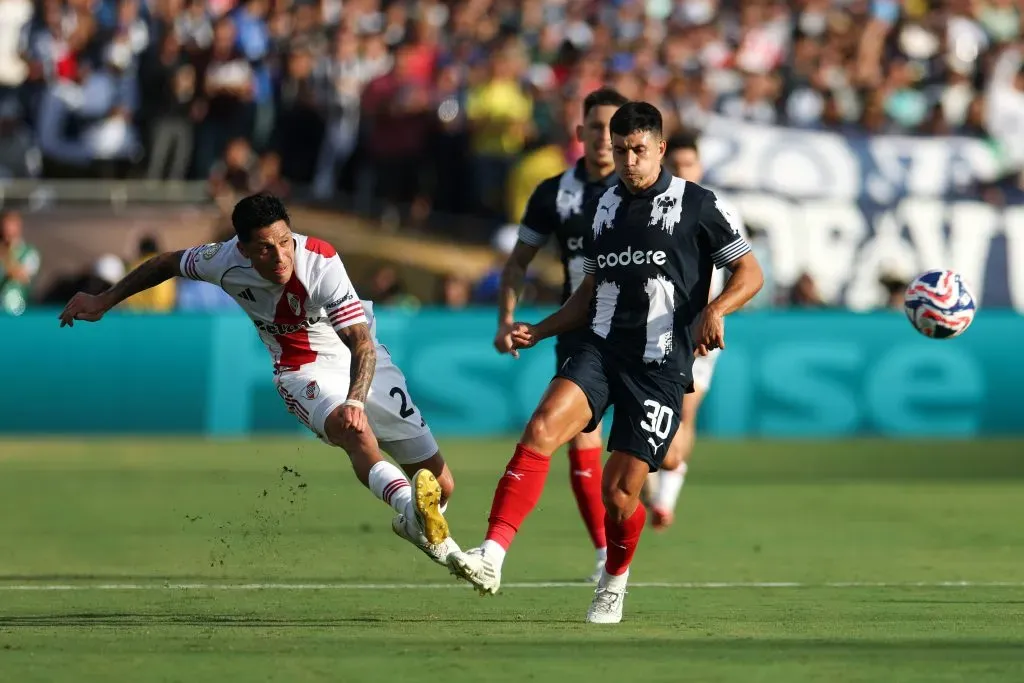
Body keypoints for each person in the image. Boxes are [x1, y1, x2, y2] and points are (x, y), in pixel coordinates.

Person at [447, 103, 763, 624]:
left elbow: (750, 274)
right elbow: (590, 293)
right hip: (598, 348)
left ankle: (614, 580)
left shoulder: (701, 204)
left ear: (661, 149)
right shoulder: (604, 206)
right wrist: (541, 328)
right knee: (543, 427)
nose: (629, 160)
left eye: (639, 149)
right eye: (621, 150)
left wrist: (716, 309)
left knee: (619, 495)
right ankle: (492, 554)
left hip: (660, 365)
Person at [59, 193, 459, 567]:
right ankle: (411, 509)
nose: (281, 255)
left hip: (357, 355)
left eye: (285, 241)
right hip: (302, 369)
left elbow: (362, 345)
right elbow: (165, 263)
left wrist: (356, 400)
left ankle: (414, 522)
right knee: (355, 434)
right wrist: (103, 300)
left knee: (443, 485)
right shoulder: (220, 260)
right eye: (266, 248)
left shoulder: (320, 261)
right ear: (244, 248)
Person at [494, 87, 628, 582]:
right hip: (582, 332)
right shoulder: (554, 193)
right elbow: (518, 263)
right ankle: (603, 555)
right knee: (580, 441)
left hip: (642, 334)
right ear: (580, 133)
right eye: (595, 128)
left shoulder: (644, 192)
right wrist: (506, 319)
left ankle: (629, 525)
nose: (603, 139)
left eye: (613, 131)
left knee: (644, 462)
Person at [642, 132, 751, 531]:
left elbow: (743, 267)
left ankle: (665, 496)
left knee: (685, 411)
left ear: (701, 167)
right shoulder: (650, 205)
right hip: (650, 324)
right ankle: (648, 473)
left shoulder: (717, 207)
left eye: (690, 165)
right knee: (646, 412)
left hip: (700, 324)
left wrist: (716, 312)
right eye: (678, 165)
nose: (683, 172)